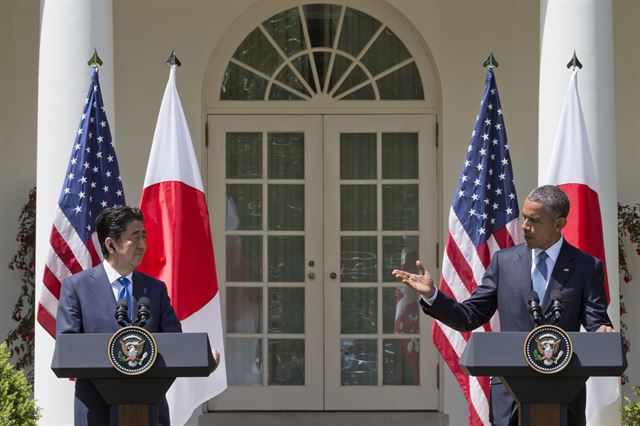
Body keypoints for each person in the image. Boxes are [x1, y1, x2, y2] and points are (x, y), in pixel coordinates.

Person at [392, 185, 613, 426]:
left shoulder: (586, 266)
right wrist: (433, 295)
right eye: (525, 217)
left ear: (559, 224)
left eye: (534, 220)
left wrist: (602, 331)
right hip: (510, 396)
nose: (525, 226)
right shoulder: (504, 262)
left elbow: (596, 321)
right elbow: (469, 316)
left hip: (563, 393)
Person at [56, 206, 182, 426]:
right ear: (111, 244)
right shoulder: (77, 287)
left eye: (144, 236)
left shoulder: (155, 289)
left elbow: (176, 342)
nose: (142, 244)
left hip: (149, 411)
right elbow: (68, 347)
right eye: (135, 237)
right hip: (95, 411)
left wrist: (204, 355)